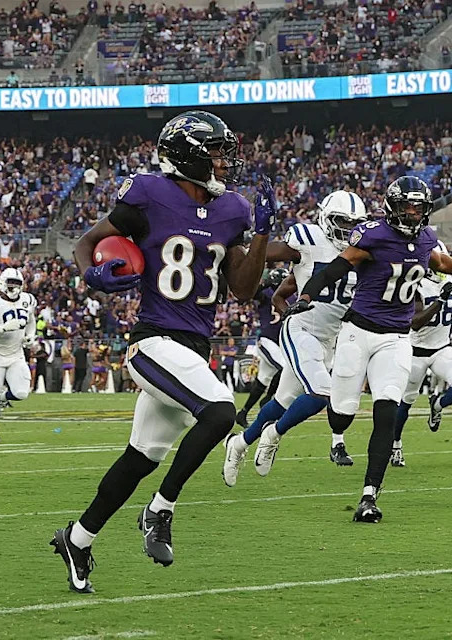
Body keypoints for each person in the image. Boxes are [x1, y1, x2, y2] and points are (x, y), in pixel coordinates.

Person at [50, 110, 273, 593]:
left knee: (140, 457)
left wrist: (261, 237)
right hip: (152, 341)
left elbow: (241, 287)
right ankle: (159, 511)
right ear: (188, 156)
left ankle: (78, 539)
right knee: (219, 413)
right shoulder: (149, 194)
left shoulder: (233, 208)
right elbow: (87, 243)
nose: (223, 162)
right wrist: (92, 274)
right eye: (214, 152)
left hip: (193, 346)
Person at [279, 176, 452, 522]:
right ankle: (337, 433)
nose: (413, 214)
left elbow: (441, 262)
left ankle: (369, 496)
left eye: (419, 207)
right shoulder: (374, 234)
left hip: (397, 339)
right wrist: (306, 295)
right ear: (393, 207)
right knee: (342, 412)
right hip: (358, 332)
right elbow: (337, 268)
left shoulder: (427, 238)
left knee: (386, 412)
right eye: (407, 207)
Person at [223, 191, 369, 488]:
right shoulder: (308, 240)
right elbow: (264, 256)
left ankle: (239, 443)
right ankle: (273, 434)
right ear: (327, 219)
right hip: (302, 331)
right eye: (342, 221)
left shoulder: (363, 251)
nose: (346, 228)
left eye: (353, 223)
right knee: (323, 393)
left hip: (330, 340)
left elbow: (286, 288)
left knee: (283, 400)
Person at [389, 246, 452, 468]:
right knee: (404, 404)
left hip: (442, 348)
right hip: (415, 352)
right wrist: (440, 300)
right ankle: (395, 445)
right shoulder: (415, 285)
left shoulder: (449, 281)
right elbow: (414, 322)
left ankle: (437, 404)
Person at [0, 267, 36, 443]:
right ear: (2, 283)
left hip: (16, 353)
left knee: (21, 393)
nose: (14, 287)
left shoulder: (28, 299)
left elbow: (31, 320)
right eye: (11, 283)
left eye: (17, 283)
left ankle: (3, 399)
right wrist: (3, 328)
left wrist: (30, 336)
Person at [234, 267, 288, 428]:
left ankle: (243, 412)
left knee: (263, 380)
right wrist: (265, 284)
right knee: (285, 368)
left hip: (279, 342)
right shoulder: (266, 295)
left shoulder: (291, 295)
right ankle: (268, 398)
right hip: (267, 340)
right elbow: (251, 293)